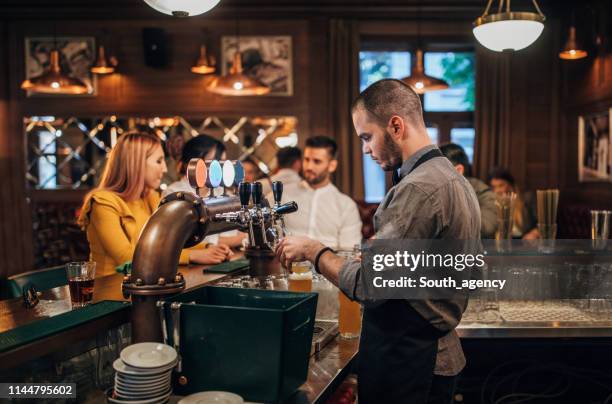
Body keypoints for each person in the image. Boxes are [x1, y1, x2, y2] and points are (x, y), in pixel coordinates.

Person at [276, 79, 481, 403]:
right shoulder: (454, 178)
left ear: (396, 126)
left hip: (410, 362)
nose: (365, 149)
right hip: (432, 354)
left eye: (367, 137)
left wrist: (313, 250)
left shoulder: (418, 188)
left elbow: (370, 286)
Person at [77, 132, 232, 277]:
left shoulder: (151, 197)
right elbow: (127, 258)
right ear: (136, 164)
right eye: (158, 161)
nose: (164, 169)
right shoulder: (102, 202)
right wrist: (192, 255)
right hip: (110, 292)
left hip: (145, 285)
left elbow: (170, 242)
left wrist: (208, 248)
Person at [279, 136, 362, 251]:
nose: (309, 167)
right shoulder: (282, 195)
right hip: (289, 265)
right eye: (307, 160)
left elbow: (350, 251)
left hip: (327, 266)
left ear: (332, 165)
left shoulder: (346, 205)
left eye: (317, 161)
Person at [163, 134, 246, 248]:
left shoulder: (220, 191)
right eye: (214, 162)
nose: (220, 169)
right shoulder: (175, 193)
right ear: (193, 163)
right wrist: (238, 239)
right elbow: (180, 238)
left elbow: (233, 230)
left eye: (222, 163)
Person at [440, 143, 497, 239]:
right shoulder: (433, 192)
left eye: (438, 171)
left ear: (458, 171)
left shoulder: (483, 193)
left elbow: (487, 227)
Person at [487, 167, 540, 240]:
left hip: (525, 244)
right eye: (494, 187)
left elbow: (540, 223)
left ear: (511, 185)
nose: (497, 190)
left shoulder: (527, 199)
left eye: (501, 185)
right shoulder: (491, 204)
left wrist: (534, 233)